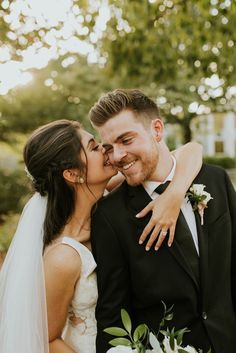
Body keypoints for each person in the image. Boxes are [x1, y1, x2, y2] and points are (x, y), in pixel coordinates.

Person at [0, 119, 201, 353]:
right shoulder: (63, 257)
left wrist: (174, 194)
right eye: (94, 147)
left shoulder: (110, 200)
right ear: (73, 174)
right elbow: (48, 339)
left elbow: (191, 150)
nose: (107, 150)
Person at [89, 89, 236, 353]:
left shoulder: (216, 180)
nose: (118, 155)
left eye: (126, 140)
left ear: (157, 130)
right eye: (109, 147)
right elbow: (112, 316)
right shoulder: (110, 216)